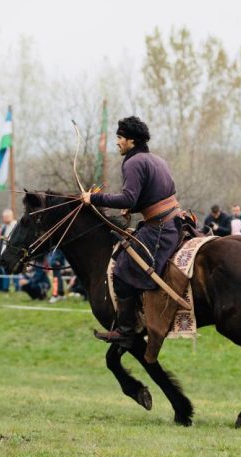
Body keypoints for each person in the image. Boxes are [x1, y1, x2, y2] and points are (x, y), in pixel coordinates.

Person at [82, 116, 180, 348]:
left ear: (131, 141)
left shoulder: (133, 162)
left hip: (160, 229)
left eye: (120, 137)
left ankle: (126, 329)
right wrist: (132, 207)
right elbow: (149, 197)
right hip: (173, 221)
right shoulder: (156, 159)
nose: (117, 142)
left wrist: (92, 198)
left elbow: (128, 197)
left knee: (122, 268)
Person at [0, 208, 17, 291]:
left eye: (7, 216)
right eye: (4, 217)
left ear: (12, 216)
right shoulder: (3, 227)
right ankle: (5, 288)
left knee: (16, 270)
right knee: (5, 270)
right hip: (4, 252)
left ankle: (18, 287)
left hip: (14, 252)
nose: (5, 218)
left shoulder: (16, 226)